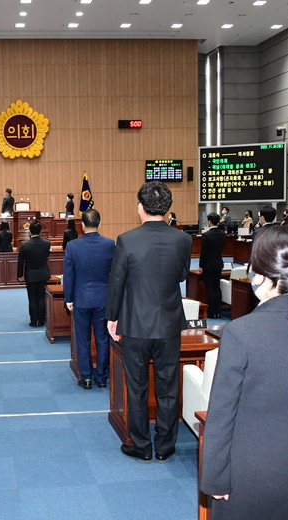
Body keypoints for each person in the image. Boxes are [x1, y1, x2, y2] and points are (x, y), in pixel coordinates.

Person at [200, 225, 288, 519]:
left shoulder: (241, 332)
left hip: (248, 474)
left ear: (259, 274)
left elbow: (222, 415)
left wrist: (214, 477)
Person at [105, 181, 191, 463]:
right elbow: (182, 275)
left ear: (140, 207)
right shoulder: (183, 240)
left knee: (137, 386)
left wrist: (112, 317)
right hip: (169, 324)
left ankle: (141, 445)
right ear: (167, 208)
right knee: (168, 387)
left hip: (135, 324)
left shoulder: (126, 240)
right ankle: (165, 446)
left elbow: (117, 282)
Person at [63, 209, 115, 389]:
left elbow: (69, 275)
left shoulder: (72, 246)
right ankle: (102, 377)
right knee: (103, 339)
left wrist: (69, 299)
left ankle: (86, 377)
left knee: (83, 340)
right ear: (99, 223)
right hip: (104, 300)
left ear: (82, 225)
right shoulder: (110, 244)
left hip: (81, 299)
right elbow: (115, 274)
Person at [17, 220, 51, 327]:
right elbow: (47, 256)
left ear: (30, 232)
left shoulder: (24, 245)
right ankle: (41, 320)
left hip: (30, 274)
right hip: (43, 273)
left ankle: (33, 320)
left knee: (32, 298)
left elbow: (20, 261)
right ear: (40, 231)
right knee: (41, 298)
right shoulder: (47, 243)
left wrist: (19, 275)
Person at [200, 212, 226, 319]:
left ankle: (212, 312)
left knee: (210, 288)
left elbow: (203, 253)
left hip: (208, 265)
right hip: (219, 263)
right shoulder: (223, 234)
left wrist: (201, 266)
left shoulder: (206, 235)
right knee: (217, 288)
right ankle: (218, 311)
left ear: (209, 222)